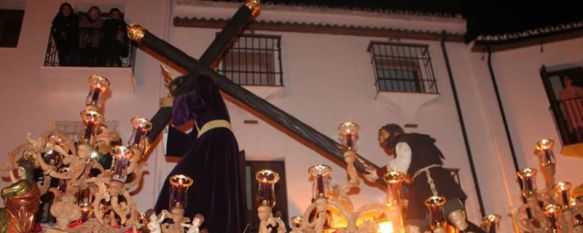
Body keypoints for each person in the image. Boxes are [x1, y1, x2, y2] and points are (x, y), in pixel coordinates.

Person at [154, 69, 247, 233]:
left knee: (178, 179)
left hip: (217, 138)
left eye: (177, 92)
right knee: (207, 187)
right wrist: (167, 134)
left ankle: (167, 219)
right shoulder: (202, 122)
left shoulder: (202, 81)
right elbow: (192, 142)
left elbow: (200, 97)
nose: (175, 96)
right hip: (214, 140)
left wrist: (176, 103)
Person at [364, 124, 484, 233]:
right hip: (430, 181)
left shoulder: (402, 141)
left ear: (394, 133)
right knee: (418, 224)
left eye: (382, 134)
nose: (380, 139)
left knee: (449, 217)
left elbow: (401, 165)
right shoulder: (415, 140)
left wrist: (378, 173)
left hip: (429, 180)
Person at [559, 74, 583, 142]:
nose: (566, 82)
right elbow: (563, 103)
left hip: (580, 112)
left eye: (567, 79)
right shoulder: (562, 93)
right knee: (576, 130)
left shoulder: (578, 89)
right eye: (564, 80)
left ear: (571, 80)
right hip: (571, 114)